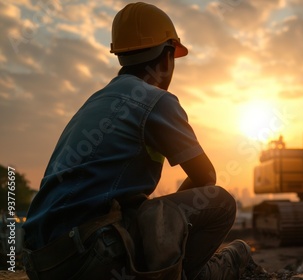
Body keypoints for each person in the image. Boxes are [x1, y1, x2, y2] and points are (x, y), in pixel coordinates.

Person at [22, 2, 253, 279]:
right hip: (87, 256)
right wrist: (166, 223)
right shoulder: (156, 100)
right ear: (168, 57)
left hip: (42, 262)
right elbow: (205, 175)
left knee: (145, 212)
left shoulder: (96, 101)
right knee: (220, 202)